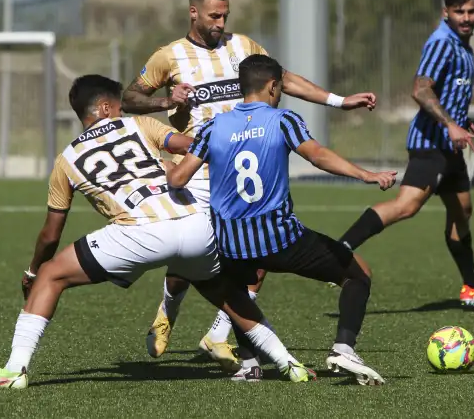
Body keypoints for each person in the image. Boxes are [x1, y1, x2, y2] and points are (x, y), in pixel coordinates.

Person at [0, 75, 315, 389]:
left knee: (51, 276)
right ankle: (289, 364)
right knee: (229, 295)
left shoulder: (66, 159)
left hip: (136, 234)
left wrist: (33, 271)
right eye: (119, 105)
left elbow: (51, 233)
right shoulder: (140, 124)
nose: (123, 109)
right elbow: (197, 145)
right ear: (106, 107)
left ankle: (14, 370)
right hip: (195, 224)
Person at [122, 0, 377, 369]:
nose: (221, 22)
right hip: (201, 169)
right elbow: (129, 97)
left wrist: (339, 102)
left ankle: (222, 335)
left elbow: (283, 78)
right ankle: (168, 313)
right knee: (193, 252)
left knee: (253, 249)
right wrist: (164, 99)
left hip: (242, 170)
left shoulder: (243, 47)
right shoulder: (169, 56)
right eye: (213, 15)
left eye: (225, 14)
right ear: (193, 12)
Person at [167, 55, 396, 385]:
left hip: (229, 242)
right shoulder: (283, 119)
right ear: (273, 87)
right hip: (280, 239)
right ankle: (344, 348)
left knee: (239, 290)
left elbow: (178, 180)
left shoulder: (213, 126)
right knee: (358, 273)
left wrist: (164, 167)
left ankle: (249, 363)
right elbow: (316, 155)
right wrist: (364, 174)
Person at [336, 0, 474, 309]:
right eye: (459, 12)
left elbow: (446, 92)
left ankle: (472, 287)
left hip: (450, 146)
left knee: (462, 210)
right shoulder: (442, 42)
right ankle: (338, 252)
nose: (467, 17)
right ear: (446, 12)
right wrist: (450, 123)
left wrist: (460, 119)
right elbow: (420, 89)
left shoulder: (462, 44)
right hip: (431, 143)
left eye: (472, 11)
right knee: (406, 206)